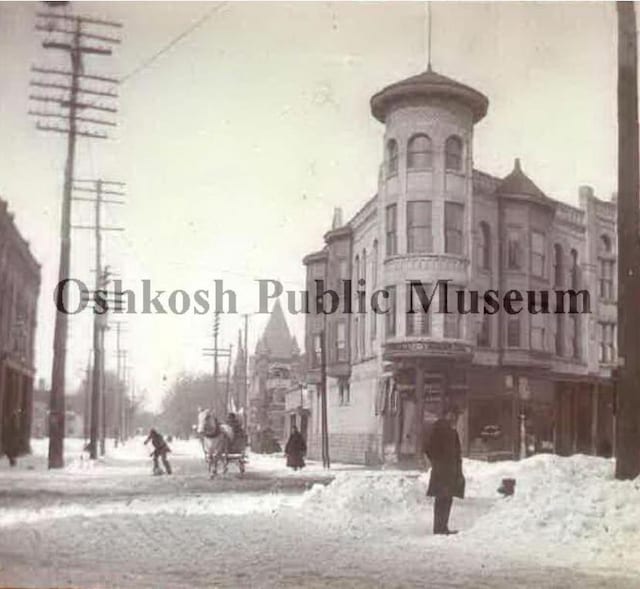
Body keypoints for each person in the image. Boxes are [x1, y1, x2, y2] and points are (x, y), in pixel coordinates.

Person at [422, 405, 465, 535]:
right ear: (446, 414)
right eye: (451, 414)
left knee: (447, 499)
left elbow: (457, 454)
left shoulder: (453, 432)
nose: (453, 417)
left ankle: (443, 526)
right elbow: (429, 448)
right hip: (442, 471)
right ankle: (439, 528)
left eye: (455, 415)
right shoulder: (439, 428)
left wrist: (458, 470)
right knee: (442, 499)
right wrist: (437, 462)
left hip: (450, 471)